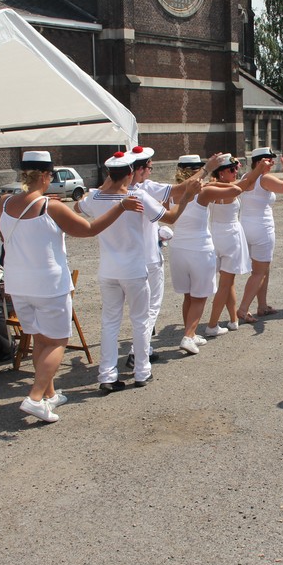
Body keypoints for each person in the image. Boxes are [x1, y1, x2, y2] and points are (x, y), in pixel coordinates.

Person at [0, 150, 136, 423]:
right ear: (46, 176)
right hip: (47, 283)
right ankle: (35, 398)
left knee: (40, 339)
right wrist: (120, 207)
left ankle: (48, 394)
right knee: (57, 341)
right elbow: (89, 229)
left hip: (17, 282)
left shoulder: (4, 202)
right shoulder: (50, 206)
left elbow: (4, 234)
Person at [77, 151, 186, 392]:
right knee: (140, 320)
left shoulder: (95, 197)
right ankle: (141, 371)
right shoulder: (137, 196)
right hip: (134, 269)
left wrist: (105, 185)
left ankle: (107, 375)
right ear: (130, 173)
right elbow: (170, 217)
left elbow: (78, 206)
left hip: (108, 270)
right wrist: (186, 197)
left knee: (110, 323)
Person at [124, 146, 218, 369]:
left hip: (128, 259)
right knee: (151, 308)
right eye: (149, 167)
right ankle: (139, 352)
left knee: (125, 314)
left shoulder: (115, 190)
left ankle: (128, 358)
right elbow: (176, 203)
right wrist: (207, 170)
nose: (150, 170)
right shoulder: (145, 190)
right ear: (140, 169)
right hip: (151, 257)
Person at [170, 153, 241, 355]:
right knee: (200, 296)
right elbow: (236, 189)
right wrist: (213, 182)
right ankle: (187, 336)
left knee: (187, 295)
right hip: (199, 248)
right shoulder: (205, 190)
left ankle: (191, 334)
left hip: (178, 247)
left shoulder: (171, 191)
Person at [206, 155, 264, 335]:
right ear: (221, 173)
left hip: (216, 234)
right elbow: (248, 181)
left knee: (228, 281)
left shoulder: (211, 186)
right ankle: (212, 325)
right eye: (231, 170)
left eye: (235, 168)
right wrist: (259, 168)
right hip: (229, 236)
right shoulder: (229, 188)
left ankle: (233, 319)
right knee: (225, 284)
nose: (235, 172)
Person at [237, 147, 283, 322]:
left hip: (246, 227)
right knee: (259, 272)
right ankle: (243, 309)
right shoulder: (264, 178)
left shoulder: (246, 176)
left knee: (263, 269)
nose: (272, 163)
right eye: (269, 161)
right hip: (262, 229)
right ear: (259, 162)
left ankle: (262, 306)